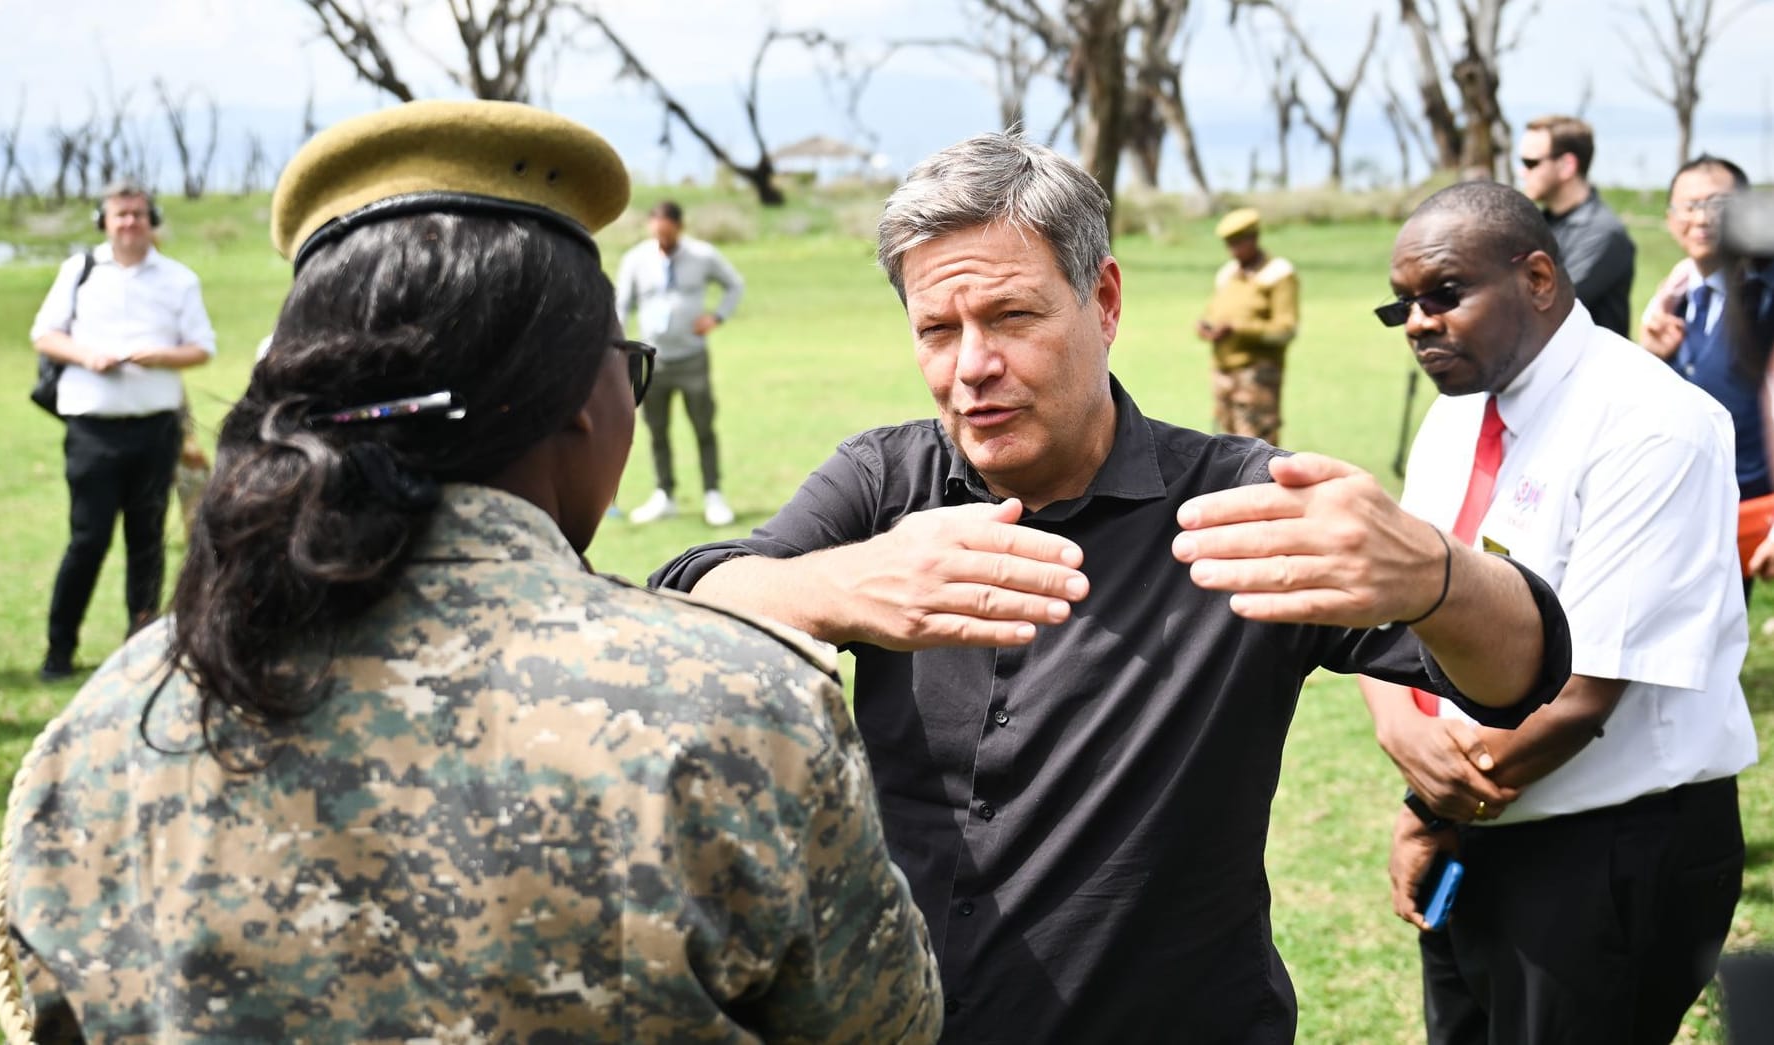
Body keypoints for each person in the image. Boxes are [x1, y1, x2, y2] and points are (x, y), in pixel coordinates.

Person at [0, 100, 940, 1044]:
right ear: (578, 396)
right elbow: (886, 1027)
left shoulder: (111, 727)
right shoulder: (745, 716)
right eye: (627, 365)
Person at [651, 132, 1573, 1043]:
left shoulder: (1246, 506)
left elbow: (1519, 671)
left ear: (1104, 300)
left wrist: (1434, 576)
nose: (972, 366)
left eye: (1011, 317)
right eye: (938, 329)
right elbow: (681, 612)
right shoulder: (884, 483)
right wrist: (844, 585)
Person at [1360, 181, 1756, 1044]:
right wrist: (1407, 746)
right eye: (1404, 309)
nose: (1420, 322)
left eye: (1444, 294)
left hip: (1605, 846)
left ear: (1538, 277)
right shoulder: (1457, 420)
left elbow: (1581, 695)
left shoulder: (1651, 423)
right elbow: (1390, 616)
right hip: (1478, 819)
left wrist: (1429, 808)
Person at [30, 179, 216, 681]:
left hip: (155, 427)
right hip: (93, 428)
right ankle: (59, 648)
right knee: (87, 539)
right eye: (120, 215)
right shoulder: (80, 272)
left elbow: (202, 347)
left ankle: (142, 639)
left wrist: (161, 356)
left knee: (147, 537)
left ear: (150, 219)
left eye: (137, 214)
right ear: (104, 221)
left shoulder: (178, 279)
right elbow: (44, 334)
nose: (129, 223)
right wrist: (87, 356)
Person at [1639, 156, 1774, 587]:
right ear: (1669, 218)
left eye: (1718, 204)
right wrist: (1653, 358)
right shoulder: (1674, 299)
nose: (1700, 218)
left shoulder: (1766, 295)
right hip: (1684, 504)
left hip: (1754, 509)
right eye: (1687, 206)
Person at [615, 200, 745, 526]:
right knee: (656, 429)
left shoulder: (702, 255)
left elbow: (734, 285)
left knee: (703, 426)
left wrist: (717, 317)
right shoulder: (635, 259)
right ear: (650, 227)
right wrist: (618, 346)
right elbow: (622, 304)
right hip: (652, 360)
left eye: (668, 234)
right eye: (657, 233)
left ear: (679, 228)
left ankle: (713, 494)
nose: (663, 240)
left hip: (691, 359)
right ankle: (664, 494)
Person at [1517, 115, 1636, 336]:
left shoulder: (1603, 234)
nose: (1522, 172)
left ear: (1566, 166)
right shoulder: (1540, 224)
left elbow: (1546, 304)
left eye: (1530, 163)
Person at [1194, 206, 1298, 444]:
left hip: (1256, 378)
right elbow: (1213, 313)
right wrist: (1205, 328)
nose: (1232, 250)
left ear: (1253, 238)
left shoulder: (1278, 274)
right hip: (1224, 375)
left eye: (1238, 243)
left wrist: (1239, 328)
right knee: (1225, 449)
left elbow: (1285, 330)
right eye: (1228, 244)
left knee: (1254, 450)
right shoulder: (1227, 274)